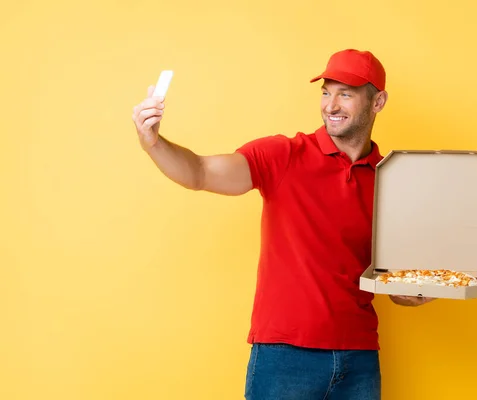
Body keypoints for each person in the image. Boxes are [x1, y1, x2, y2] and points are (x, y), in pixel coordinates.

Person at [131, 49, 434, 400]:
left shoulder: (391, 176)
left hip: (360, 357)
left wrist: (412, 290)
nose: (331, 105)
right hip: (284, 356)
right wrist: (153, 143)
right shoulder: (283, 155)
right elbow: (199, 172)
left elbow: (391, 275)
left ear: (378, 101)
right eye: (325, 92)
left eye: (345, 94)